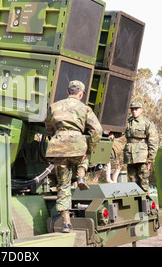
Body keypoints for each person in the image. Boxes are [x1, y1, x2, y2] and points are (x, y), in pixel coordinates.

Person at [45, 80, 102, 232]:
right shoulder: (85, 108)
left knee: (63, 185)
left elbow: (48, 126)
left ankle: (66, 223)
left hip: (59, 147)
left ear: (67, 91)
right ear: (81, 94)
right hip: (77, 144)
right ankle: (81, 175)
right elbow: (97, 130)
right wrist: (89, 148)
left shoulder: (54, 106)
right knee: (85, 155)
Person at [123, 102, 158, 192]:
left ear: (141, 110)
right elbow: (119, 132)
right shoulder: (127, 122)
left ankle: (146, 204)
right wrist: (111, 133)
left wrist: (150, 159)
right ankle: (136, 204)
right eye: (132, 109)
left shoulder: (147, 123)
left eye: (136, 109)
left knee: (144, 182)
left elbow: (153, 141)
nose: (134, 111)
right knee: (132, 183)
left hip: (142, 157)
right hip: (130, 156)